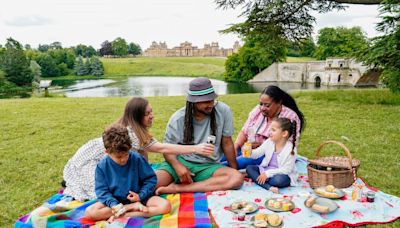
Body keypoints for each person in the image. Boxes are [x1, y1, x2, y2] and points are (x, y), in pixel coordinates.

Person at [63, 97, 214, 201]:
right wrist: (196, 148)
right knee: (107, 195)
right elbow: (162, 148)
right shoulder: (132, 133)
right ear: (136, 116)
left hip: (100, 158)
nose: (152, 116)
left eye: (151, 112)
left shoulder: (136, 132)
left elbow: (142, 156)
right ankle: (72, 182)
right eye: (147, 114)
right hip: (87, 162)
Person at [155, 77, 243, 194]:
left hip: (209, 167)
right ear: (194, 102)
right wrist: (177, 166)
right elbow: (167, 150)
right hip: (181, 161)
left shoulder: (223, 111)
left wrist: (234, 169)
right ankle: (195, 185)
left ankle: (178, 188)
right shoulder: (178, 119)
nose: (211, 104)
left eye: (212, 100)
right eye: (206, 101)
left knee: (236, 178)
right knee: (150, 184)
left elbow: (227, 143)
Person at [85, 124, 170, 221]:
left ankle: (125, 215)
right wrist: (114, 204)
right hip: (116, 203)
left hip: (140, 199)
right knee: (90, 212)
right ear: (107, 152)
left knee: (165, 206)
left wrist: (140, 195)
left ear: (129, 148)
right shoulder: (102, 166)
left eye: (126, 154)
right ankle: (130, 208)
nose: (123, 159)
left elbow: (150, 179)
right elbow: (102, 191)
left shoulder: (137, 158)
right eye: (119, 157)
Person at [222, 85, 305, 170]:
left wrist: (263, 146)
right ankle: (212, 165)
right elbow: (244, 132)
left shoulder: (290, 117)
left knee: (234, 163)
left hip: (268, 155)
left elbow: (288, 145)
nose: (262, 108)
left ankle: (215, 169)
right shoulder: (257, 111)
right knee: (224, 154)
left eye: (267, 105)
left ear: (279, 103)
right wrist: (236, 147)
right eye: (261, 104)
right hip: (249, 149)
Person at [246, 117, 298, 194]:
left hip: (281, 174)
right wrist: (249, 151)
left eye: (273, 130)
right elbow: (257, 153)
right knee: (249, 168)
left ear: (284, 134)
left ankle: (258, 179)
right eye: (270, 129)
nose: (269, 132)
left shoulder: (290, 149)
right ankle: (268, 187)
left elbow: (286, 170)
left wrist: (267, 174)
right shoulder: (269, 142)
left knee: (278, 180)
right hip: (266, 170)